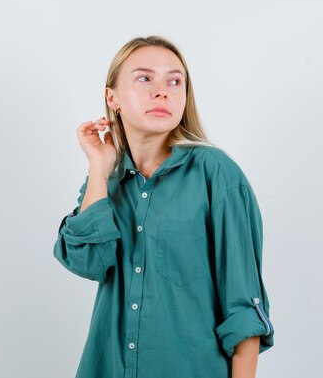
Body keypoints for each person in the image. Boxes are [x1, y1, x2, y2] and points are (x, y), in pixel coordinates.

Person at [53, 35, 274, 378]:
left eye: (174, 81)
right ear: (112, 97)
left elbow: (244, 306)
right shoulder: (106, 179)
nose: (162, 91)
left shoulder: (215, 172)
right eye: (144, 78)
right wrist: (98, 166)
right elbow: (88, 262)